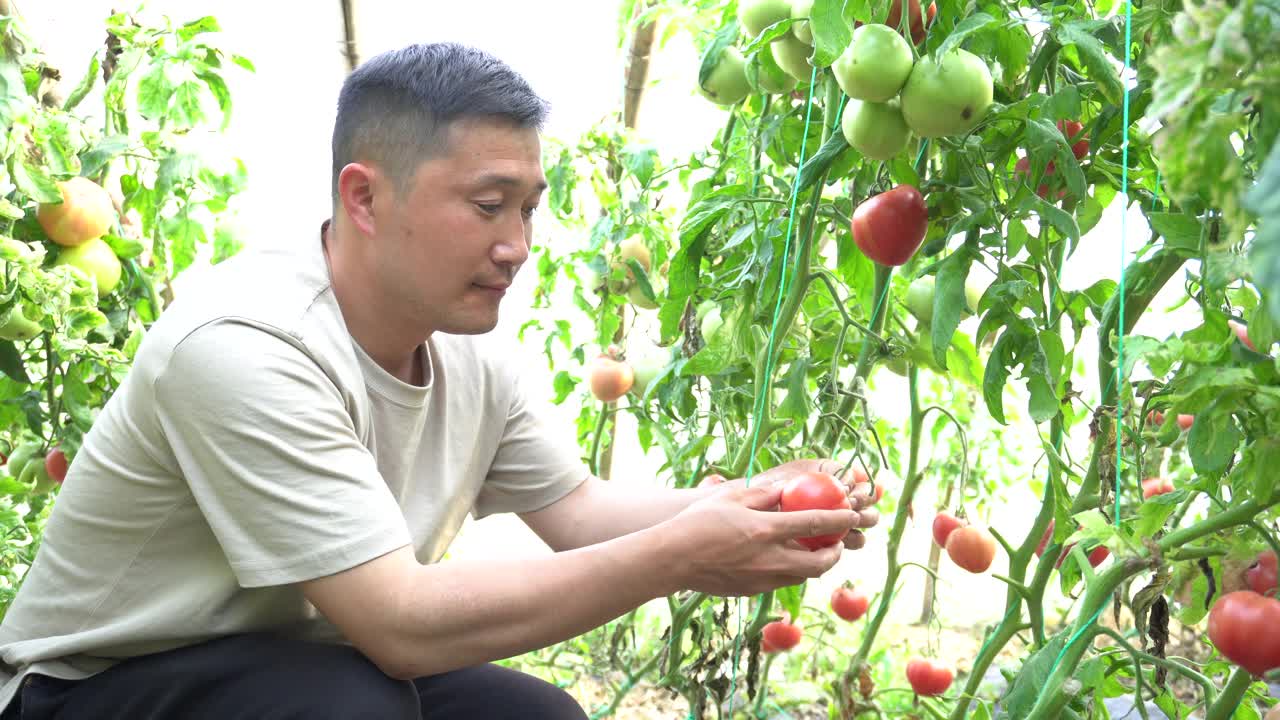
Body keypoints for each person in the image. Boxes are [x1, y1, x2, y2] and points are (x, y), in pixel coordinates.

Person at [0, 42, 880, 719]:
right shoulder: (243, 344)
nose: (518, 245)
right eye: (488, 205)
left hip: (306, 667)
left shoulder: (463, 342)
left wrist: (753, 506)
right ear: (365, 198)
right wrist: (678, 555)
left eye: (529, 208)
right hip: (89, 687)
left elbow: (579, 515)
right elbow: (400, 623)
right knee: (356, 708)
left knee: (536, 713)